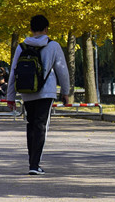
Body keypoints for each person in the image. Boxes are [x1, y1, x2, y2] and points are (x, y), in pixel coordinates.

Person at [7, 15, 71, 175]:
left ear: (31, 29)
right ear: (46, 29)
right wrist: (65, 92)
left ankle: (32, 163)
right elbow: (62, 70)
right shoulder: (53, 46)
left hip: (27, 91)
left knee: (31, 124)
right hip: (46, 92)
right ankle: (35, 165)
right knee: (41, 125)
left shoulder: (21, 47)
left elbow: (14, 72)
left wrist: (10, 96)